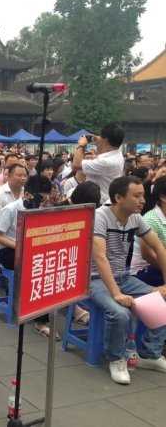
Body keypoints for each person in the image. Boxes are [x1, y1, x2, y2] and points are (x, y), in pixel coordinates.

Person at [90, 176, 166, 384]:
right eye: (137, 196)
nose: (143, 200)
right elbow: (100, 257)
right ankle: (116, 359)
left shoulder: (135, 218)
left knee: (163, 300)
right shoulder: (100, 217)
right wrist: (116, 293)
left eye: (143, 195)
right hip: (96, 279)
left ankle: (150, 354)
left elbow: (159, 248)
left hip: (124, 277)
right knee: (120, 313)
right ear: (118, 198)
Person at [0, 175, 56, 337]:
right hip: (8, 250)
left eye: (46, 199)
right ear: (27, 194)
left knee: (52, 264)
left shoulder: (40, 209)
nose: (44, 202)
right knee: (40, 268)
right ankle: (40, 321)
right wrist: (20, 246)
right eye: (41, 198)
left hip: (30, 250)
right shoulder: (11, 209)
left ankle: (39, 307)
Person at [72, 123, 125, 204]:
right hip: (106, 200)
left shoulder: (106, 162)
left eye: (101, 136)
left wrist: (81, 145)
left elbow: (76, 165)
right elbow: (104, 149)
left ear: (105, 140)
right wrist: (98, 139)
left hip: (98, 203)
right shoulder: (118, 155)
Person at [130, 177, 166, 287]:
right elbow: (148, 256)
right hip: (144, 270)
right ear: (163, 197)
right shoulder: (150, 219)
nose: (142, 200)